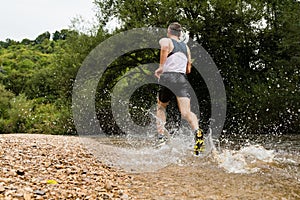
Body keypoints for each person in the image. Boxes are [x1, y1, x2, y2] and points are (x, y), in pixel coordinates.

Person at [154, 22, 205, 154]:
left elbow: (164, 47)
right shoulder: (186, 47)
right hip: (182, 79)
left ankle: (161, 138)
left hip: (168, 77)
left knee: (161, 106)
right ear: (180, 34)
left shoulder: (166, 40)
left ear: (169, 31)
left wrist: (161, 67)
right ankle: (197, 132)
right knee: (186, 112)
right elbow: (188, 69)